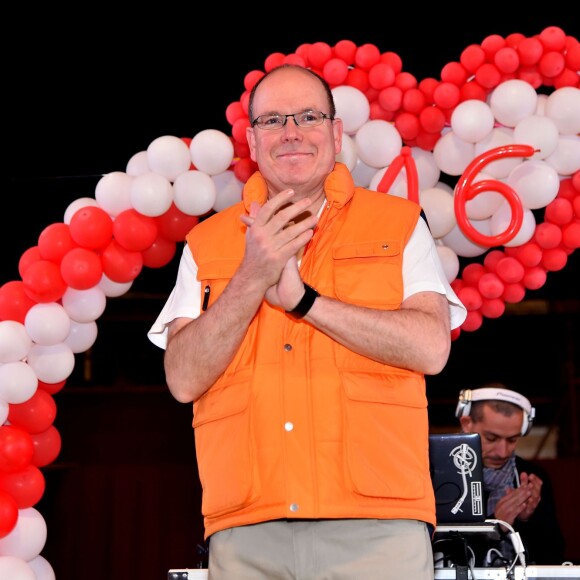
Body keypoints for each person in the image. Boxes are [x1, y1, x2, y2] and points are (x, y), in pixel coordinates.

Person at [148, 64, 467, 580]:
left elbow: (431, 347)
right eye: (273, 120)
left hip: (379, 526)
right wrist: (251, 278)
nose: (291, 132)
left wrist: (305, 302)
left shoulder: (399, 223)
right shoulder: (207, 244)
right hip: (248, 528)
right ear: (251, 140)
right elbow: (182, 378)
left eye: (309, 116)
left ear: (336, 134)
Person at [456, 383, 566, 565]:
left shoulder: (531, 477)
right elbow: (438, 554)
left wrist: (527, 519)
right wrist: (496, 526)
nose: (503, 452)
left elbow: (554, 557)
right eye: (491, 438)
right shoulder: (440, 475)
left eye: (512, 440)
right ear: (467, 424)